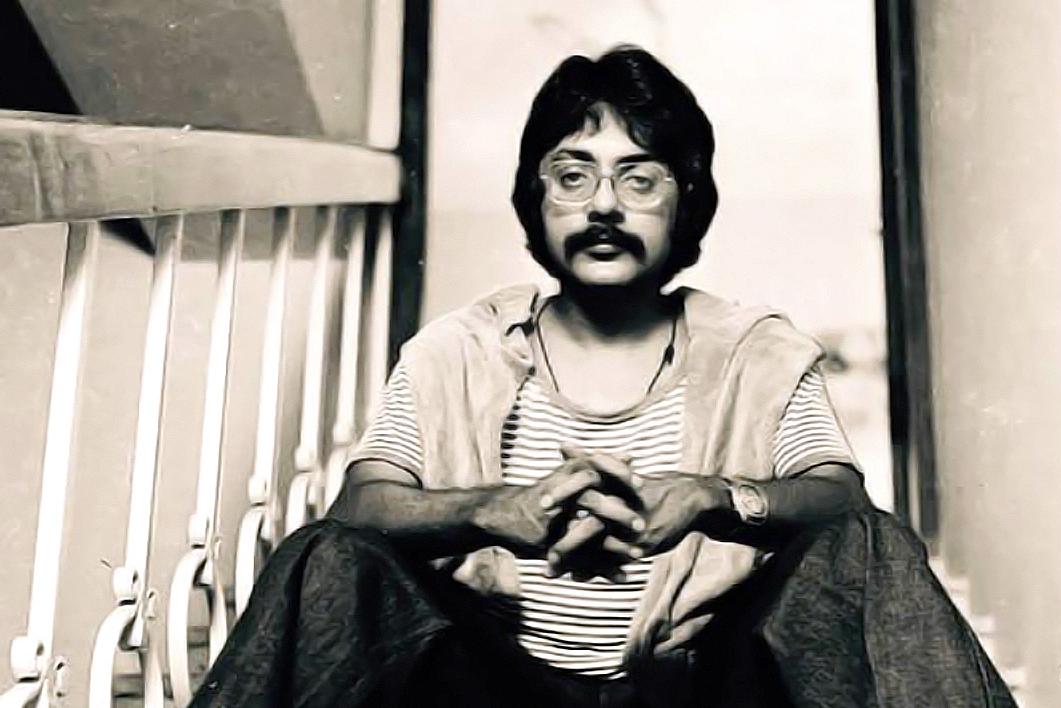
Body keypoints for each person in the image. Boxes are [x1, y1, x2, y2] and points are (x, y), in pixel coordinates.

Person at [193, 47, 1014, 708]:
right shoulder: (457, 349)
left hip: (697, 686)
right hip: (493, 687)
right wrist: (489, 510)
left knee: (871, 545)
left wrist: (710, 497)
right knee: (324, 555)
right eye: (573, 174)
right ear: (537, 196)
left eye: (639, 177)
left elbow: (841, 500)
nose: (603, 207)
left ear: (683, 199)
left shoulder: (753, 350)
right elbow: (359, 507)